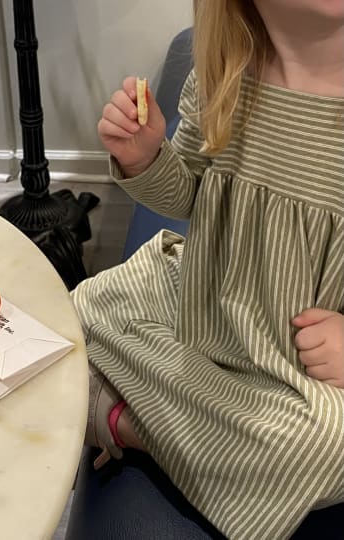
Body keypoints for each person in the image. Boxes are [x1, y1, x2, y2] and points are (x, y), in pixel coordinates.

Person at [71, 0, 344, 538]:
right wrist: (144, 158)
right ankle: (170, 415)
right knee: (73, 313)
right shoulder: (223, 76)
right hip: (204, 306)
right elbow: (189, 196)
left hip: (300, 370)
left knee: (325, 445)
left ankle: (124, 421)